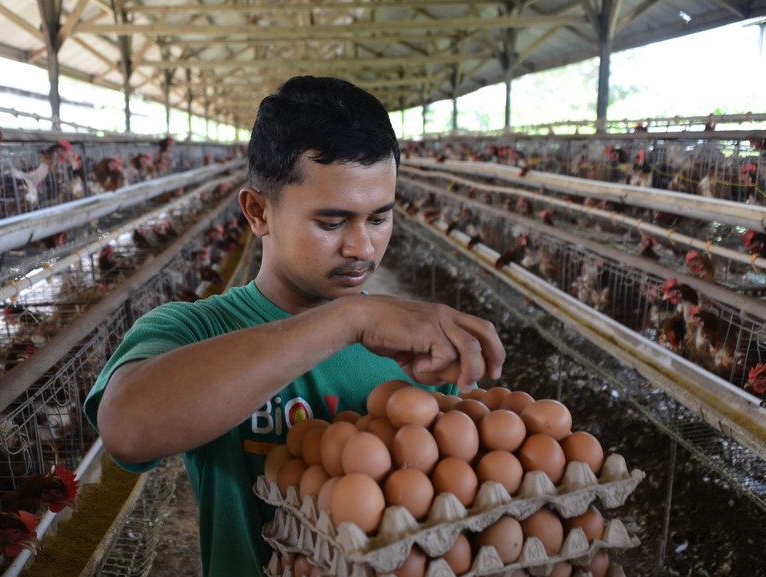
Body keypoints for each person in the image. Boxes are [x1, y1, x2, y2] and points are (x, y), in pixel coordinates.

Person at [84, 75, 505, 577]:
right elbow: (127, 428)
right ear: (258, 212)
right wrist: (350, 318)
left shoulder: (417, 347)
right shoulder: (195, 329)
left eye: (379, 218)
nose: (362, 248)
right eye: (331, 223)